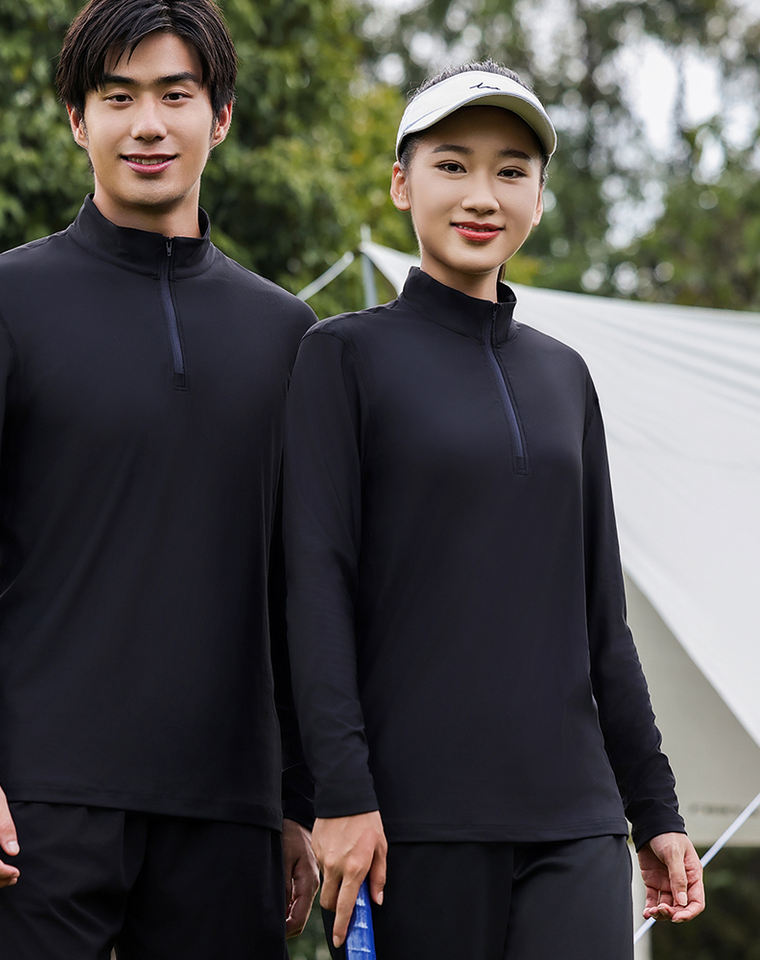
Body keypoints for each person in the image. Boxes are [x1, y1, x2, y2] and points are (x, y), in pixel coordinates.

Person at [0, 1, 319, 957]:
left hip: (230, 812)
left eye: (176, 94)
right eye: (118, 96)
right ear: (77, 120)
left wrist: (300, 799)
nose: (147, 125)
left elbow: (295, 584)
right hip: (35, 806)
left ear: (220, 117)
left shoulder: (287, 335)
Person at [283, 61, 704, 959]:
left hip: (576, 824)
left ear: (539, 199)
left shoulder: (565, 377)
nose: (482, 195)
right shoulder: (341, 359)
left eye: (512, 171)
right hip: (409, 827)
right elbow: (314, 590)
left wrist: (656, 809)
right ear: (402, 184)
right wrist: (340, 794)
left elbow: (602, 618)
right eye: (452, 165)